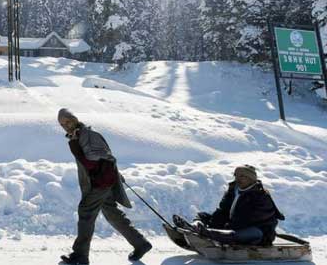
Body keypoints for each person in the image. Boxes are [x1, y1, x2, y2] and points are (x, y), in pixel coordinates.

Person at [57, 109, 152, 265]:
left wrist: (75, 147)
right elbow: (103, 158)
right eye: (62, 124)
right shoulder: (77, 136)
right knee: (112, 214)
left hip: (100, 183)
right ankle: (140, 244)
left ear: (74, 118)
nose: (66, 126)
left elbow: (98, 159)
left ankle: (80, 256)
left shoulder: (89, 135)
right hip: (100, 181)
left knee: (86, 212)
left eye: (67, 121)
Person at [175, 165, 284, 246]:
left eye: (242, 176)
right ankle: (194, 227)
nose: (238, 179)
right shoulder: (233, 190)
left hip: (258, 232)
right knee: (202, 215)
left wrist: (228, 226)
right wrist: (215, 223)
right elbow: (222, 210)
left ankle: (204, 233)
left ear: (251, 179)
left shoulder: (261, 196)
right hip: (232, 225)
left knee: (238, 234)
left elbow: (251, 219)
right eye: (236, 175)